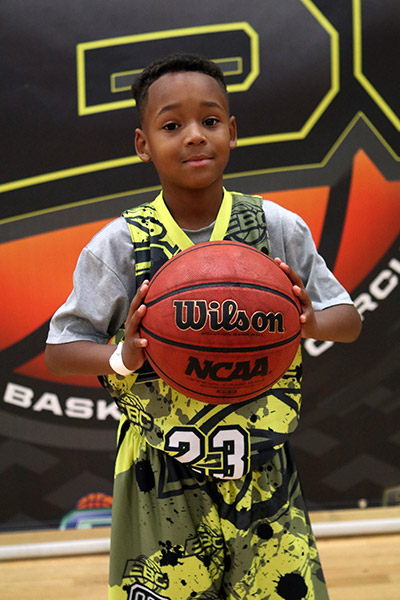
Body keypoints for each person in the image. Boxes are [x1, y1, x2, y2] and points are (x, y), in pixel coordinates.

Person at [45, 52, 362, 600]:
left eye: (210, 121)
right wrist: (123, 356)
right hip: (159, 470)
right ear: (143, 144)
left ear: (231, 132)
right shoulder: (119, 245)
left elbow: (348, 321)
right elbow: (61, 350)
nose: (194, 135)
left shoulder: (275, 227)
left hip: (262, 466)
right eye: (172, 126)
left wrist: (308, 321)